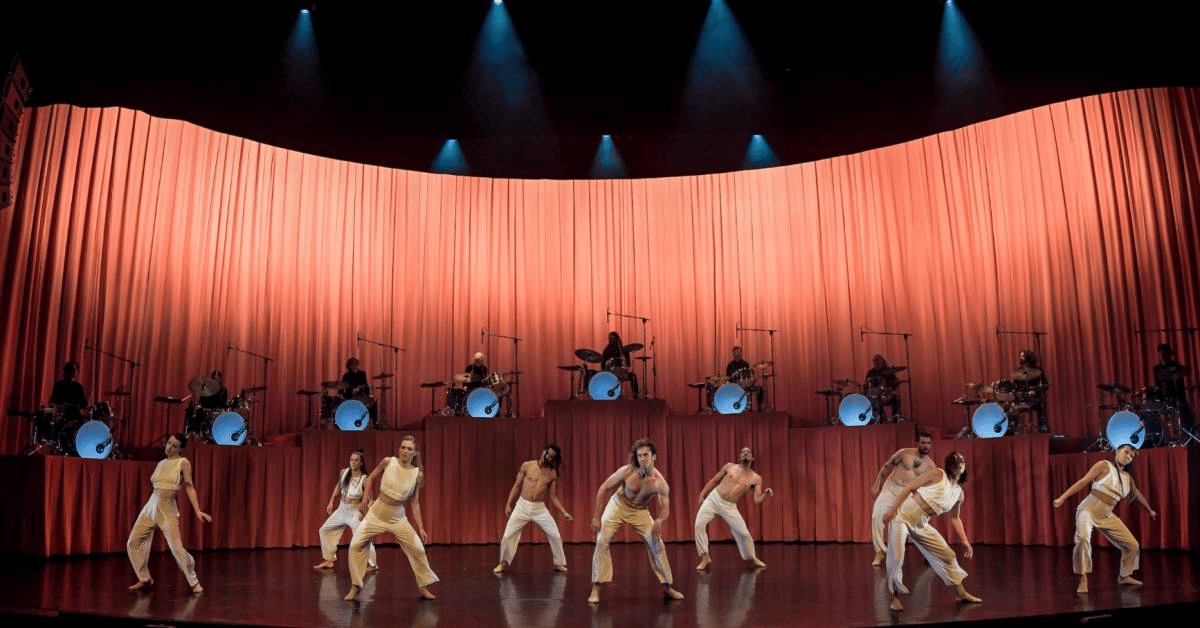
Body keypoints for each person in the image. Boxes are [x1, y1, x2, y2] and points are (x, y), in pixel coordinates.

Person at [882, 451, 981, 611]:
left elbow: (955, 518)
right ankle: (894, 597)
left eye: (962, 459)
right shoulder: (938, 474)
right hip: (902, 516)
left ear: (964, 467)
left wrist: (964, 540)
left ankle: (960, 593)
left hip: (921, 523)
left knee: (948, 555)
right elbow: (910, 487)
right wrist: (892, 510)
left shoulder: (958, 494)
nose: (959, 461)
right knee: (896, 558)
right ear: (949, 465)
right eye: (955, 459)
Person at [588, 438, 683, 604]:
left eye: (646, 455)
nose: (642, 458)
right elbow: (604, 488)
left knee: (658, 545)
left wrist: (659, 520)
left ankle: (667, 587)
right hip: (618, 505)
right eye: (639, 455)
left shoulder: (659, 483)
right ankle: (596, 588)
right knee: (602, 541)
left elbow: (665, 509)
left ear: (654, 457)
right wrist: (597, 516)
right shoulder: (627, 471)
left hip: (640, 511)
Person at [1053, 444, 1157, 594]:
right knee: (1082, 539)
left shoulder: (1127, 479)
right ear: (1117, 451)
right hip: (1088, 510)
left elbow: (1137, 495)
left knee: (1132, 545)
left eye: (1131, 456)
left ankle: (1125, 576)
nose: (1128, 456)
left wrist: (1149, 510)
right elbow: (1083, 481)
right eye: (1126, 452)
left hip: (1106, 514)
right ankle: (1083, 578)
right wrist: (1062, 498)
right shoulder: (1103, 466)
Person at [344, 435, 437, 601]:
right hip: (376, 513)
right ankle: (355, 586)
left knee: (418, 549)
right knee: (355, 545)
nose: (405, 451)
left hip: (397, 518)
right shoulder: (388, 462)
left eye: (409, 449)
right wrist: (365, 501)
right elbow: (369, 478)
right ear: (399, 449)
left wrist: (421, 527)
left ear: (414, 453)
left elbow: (415, 502)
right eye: (403, 447)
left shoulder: (417, 474)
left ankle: (423, 586)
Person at [126, 433, 212, 594]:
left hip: (167, 509)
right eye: (169, 443)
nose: (169, 447)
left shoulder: (183, 463)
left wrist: (198, 510)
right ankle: (145, 579)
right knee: (133, 542)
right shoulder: (161, 463)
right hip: (151, 506)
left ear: (180, 449)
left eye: (174, 445)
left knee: (177, 548)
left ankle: (194, 582)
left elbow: (189, 487)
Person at [494, 444, 574, 574]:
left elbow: (553, 496)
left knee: (555, 534)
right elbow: (517, 485)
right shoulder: (527, 466)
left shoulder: (553, 473)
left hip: (539, 508)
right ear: (543, 452)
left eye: (552, 457)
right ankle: (503, 563)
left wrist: (564, 512)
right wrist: (508, 504)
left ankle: (558, 563)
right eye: (547, 454)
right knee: (508, 535)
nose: (548, 457)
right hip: (522, 506)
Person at [694, 446, 773, 571]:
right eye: (743, 452)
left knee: (744, 534)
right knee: (699, 524)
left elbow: (757, 500)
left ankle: (752, 557)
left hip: (729, 506)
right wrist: (702, 494)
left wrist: (766, 495)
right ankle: (705, 556)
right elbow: (714, 481)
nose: (745, 453)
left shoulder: (756, 478)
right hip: (714, 499)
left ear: (752, 458)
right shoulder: (729, 467)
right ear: (739, 457)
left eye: (748, 452)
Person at [869, 431, 935, 567]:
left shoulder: (930, 465)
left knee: (918, 524)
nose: (925, 446)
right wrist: (877, 484)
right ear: (917, 443)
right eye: (923, 442)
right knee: (877, 516)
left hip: (908, 493)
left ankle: (928, 553)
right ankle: (879, 552)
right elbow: (887, 466)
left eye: (928, 443)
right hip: (891, 488)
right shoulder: (904, 453)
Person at [313, 449, 377, 572]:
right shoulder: (344, 472)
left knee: (362, 537)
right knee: (324, 530)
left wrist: (364, 511)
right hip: (342, 509)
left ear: (361, 463)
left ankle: (373, 564)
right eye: (351, 460)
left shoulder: (365, 479)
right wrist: (331, 501)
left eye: (356, 460)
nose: (353, 462)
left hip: (355, 511)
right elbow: (338, 486)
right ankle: (329, 560)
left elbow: (370, 499)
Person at [1153, 343, 1194, 434]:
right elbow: (1158, 383)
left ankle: (1190, 433)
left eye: (1165, 354)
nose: (1163, 357)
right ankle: (1158, 435)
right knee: (1152, 410)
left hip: (1177, 396)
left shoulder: (1176, 366)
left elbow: (1182, 374)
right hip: (1163, 397)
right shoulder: (1156, 369)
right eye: (1161, 354)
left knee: (1184, 410)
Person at [1012, 349, 1049, 433]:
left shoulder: (1038, 371)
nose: (1020, 358)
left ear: (1028, 358)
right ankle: (1014, 429)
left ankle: (1042, 428)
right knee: (1012, 406)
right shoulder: (1017, 371)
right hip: (1022, 398)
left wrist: (1035, 391)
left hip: (1034, 397)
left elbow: (1045, 385)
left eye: (1022, 356)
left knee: (1041, 403)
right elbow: (1014, 386)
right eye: (1020, 356)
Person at [864, 354, 902, 422]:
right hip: (875, 396)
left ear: (882, 361)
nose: (877, 363)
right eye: (875, 361)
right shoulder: (871, 372)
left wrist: (891, 387)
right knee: (874, 399)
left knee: (896, 399)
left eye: (878, 361)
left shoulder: (889, 371)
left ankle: (896, 418)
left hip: (886, 395)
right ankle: (880, 418)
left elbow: (894, 384)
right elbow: (866, 385)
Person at [601, 332, 639, 398]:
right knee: (628, 376)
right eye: (611, 339)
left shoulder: (623, 350)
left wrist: (625, 367)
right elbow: (603, 365)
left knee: (633, 376)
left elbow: (628, 363)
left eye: (613, 339)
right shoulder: (607, 350)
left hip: (622, 372)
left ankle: (635, 395)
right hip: (611, 372)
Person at [725, 347, 763, 412]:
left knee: (760, 389)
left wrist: (750, 381)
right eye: (735, 352)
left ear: (741, 353)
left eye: (738, 352)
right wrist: (728, 382)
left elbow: (749, 375)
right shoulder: (730, 365)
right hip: (735, 385)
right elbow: (728, 377)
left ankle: (760, 407)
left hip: (746, 385)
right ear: (733, 354)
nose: (737, 353)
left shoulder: (745, 364)